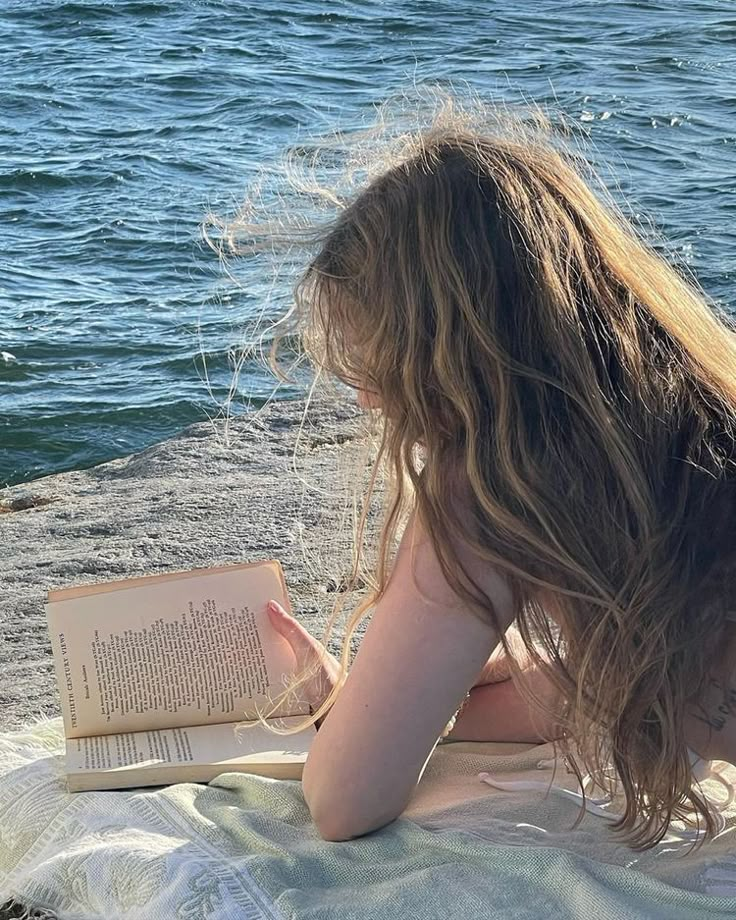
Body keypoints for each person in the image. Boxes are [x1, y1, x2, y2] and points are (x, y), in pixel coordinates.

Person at [215, 97, 736, 849]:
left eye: (376, 361)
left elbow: (343, 800)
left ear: (445, 352)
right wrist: (411, 694)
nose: (365, 395)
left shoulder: (494, 487)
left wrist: (369, 707)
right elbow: (603, 692)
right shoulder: (683, 410)